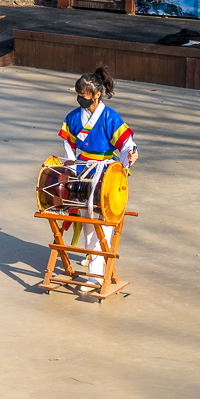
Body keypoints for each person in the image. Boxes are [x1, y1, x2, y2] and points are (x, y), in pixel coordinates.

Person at [58, 65, 138, 288]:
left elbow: (126, 143)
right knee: (87, 221)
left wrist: (131, 154)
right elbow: (68, 147)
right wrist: (71, 171)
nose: (80, 99)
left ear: (97, 94)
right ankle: (95, 265)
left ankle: (95, 274)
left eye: (83, 96)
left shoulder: (110, 117)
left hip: (105, 172)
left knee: (104, 221)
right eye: (78, 95)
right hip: (83, 171)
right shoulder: (73, 118)